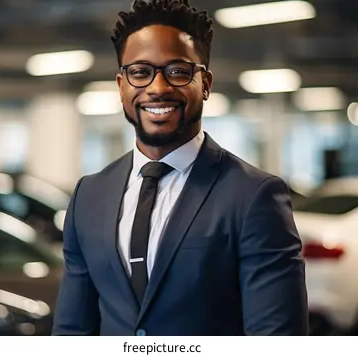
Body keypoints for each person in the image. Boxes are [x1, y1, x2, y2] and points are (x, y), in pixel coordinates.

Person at [52, 0, 308, 336]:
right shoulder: (89, 195)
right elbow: (73, 331)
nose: (158, 89)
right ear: (121, 86)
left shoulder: (254, 197)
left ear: (205, 83)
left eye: (177, 71)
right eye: (140, 72)